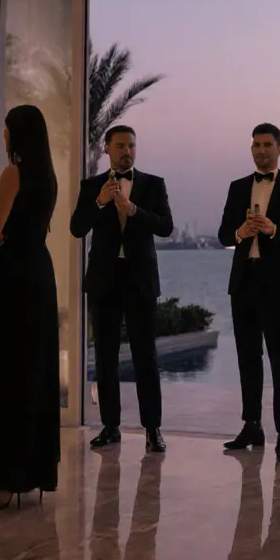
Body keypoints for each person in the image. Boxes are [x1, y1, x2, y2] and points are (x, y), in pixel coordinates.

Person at [0, 105, 61, 510]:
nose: (3, 137)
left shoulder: (14, 174)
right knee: (34, 371)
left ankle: (5, 479)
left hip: (12, 278)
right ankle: (36, 472)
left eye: (6, 130)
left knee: (5, 372)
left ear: (17, 135)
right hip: (40, 275)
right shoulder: (49, 177)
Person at [217, 123, 280, 462]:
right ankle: (252, 426)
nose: (261, 150)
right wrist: (240, 231)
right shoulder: (237, 187)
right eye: (256, 145)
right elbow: (222, 236)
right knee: (248, 358)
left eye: (267, 144)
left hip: (276, 285)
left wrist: (274, 230)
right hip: (243, 282)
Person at [71, 125, 174, 453]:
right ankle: (110, 426)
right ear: (107, 149)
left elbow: (167, 226)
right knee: (105, 358)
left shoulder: (153, 185)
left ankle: (153, 429)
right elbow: (76, 228)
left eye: (131, 145)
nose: (126, 150)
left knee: (147, 357)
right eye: (119, 145)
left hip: (141, 281)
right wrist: (99, 202)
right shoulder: (91, 187)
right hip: (104, 281)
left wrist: (134, 211)